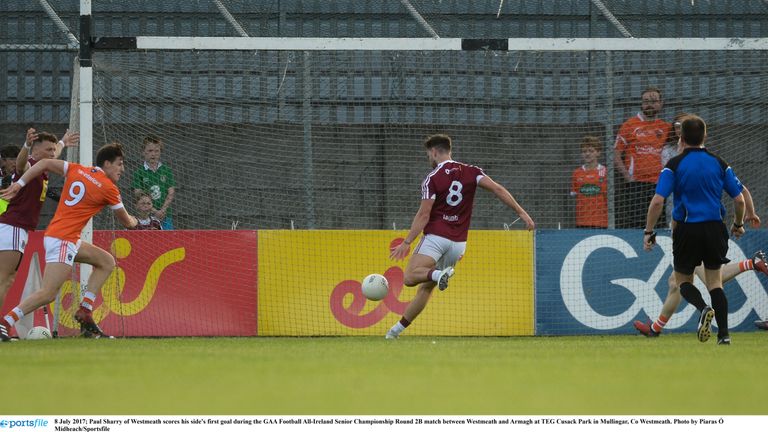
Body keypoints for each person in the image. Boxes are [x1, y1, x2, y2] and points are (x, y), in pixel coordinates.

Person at [384, 134, 535, 339]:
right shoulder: (472, 172)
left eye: (428, 153)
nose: (429, 157)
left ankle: (439, 275)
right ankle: (394, 332)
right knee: (426, 288)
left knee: (410, 277)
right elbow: (498, 189)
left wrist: (407, 241)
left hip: (436, 237)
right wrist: (521, 212)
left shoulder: (432, 178)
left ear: (434, 152)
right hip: (459, 244)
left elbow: (424, 214)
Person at [634, 115, 766, 337]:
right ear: (705, 135)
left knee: (683, 281)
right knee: (713, 282)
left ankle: (703, 308)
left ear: (681, 137)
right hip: (715, 228)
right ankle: (723, 336)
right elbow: (741, 196)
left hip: (687, 229)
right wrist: (740, 222)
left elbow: (657, 201)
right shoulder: (719, 163)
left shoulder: (674, 165)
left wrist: (648, 231)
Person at [0, 142, 138, 341]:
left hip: (63, 237)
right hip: (63, 240)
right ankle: (6, 322)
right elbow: (127, 222)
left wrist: (19, 184)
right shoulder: (109, 188)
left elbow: (45, 162)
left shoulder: (78, 169)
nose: (122, 169)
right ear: (107, 164)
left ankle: (85, 311)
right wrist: (138, 221)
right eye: (119, 164)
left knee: (106, 262)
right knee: (48, 293)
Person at [0, 128, 77, 317]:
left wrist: (62, 143)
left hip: (15, 228)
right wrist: (26, 145)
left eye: (53, 150)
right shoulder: (30, 164)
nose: (52, 154)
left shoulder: (42, 167)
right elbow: (20, 165)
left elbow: (54, 152)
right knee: (3, 278)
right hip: (13, 227)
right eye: (48, 150)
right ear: (35, 151)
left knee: (7, 279)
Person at [614, 86, 670, 228]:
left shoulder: (666, 128)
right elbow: (616, 154)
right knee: (637, 224)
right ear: (641, 103)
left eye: (653, 100)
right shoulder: (629, 125)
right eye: (646, 101)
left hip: (659, 184)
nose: (649, 104)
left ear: (661, 103)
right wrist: (628, 177)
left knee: (658, 224)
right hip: (636, 184)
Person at [132, 135, 176, 230]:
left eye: (157, 151)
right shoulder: (139, 172)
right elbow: (138, 194)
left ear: (160, 153)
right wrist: (155, 211)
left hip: (165, 215)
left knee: (169, 241)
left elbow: (171, 192)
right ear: (143, 152)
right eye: (150, 151)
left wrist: (163, 210)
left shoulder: (166, 170)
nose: (153, 154)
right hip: (147, 216)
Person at [570, 135, 607, 228]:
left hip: (601, 221)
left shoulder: (605, 171)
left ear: (598, 152)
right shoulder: (576, 173)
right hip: (581, 220)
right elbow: (574, 195)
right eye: (584, 151)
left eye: (591, 151)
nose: (587, 154)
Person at [0, 145, 20, 215]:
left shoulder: (23, 174)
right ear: (3, 160)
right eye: (12, 159)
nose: (15, 162)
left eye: (18, 159)